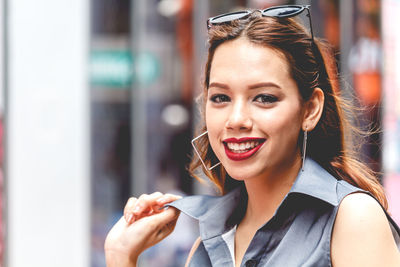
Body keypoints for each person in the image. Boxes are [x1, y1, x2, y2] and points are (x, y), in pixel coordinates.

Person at [104, 5, 400, 267]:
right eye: (220, 98)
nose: (236, 120)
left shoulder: (351, 219)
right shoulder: (211, 239)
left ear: (310, 109)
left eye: (264, 98)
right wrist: (121, 256)